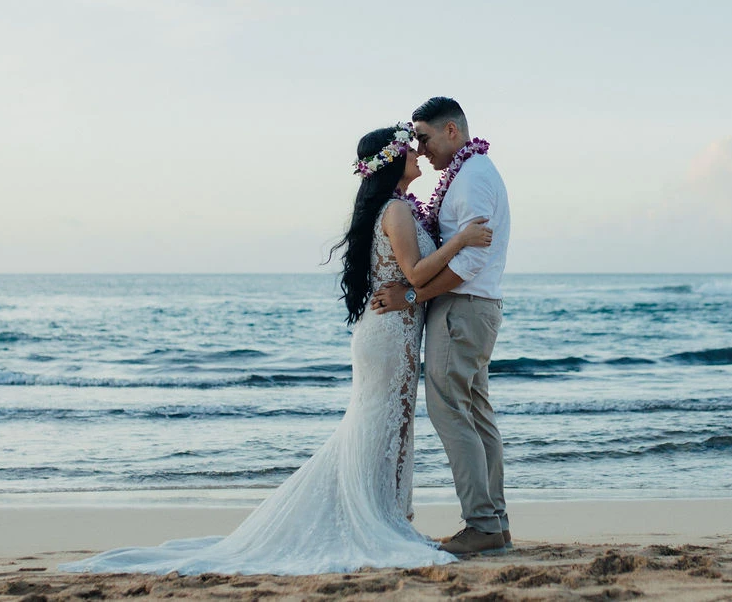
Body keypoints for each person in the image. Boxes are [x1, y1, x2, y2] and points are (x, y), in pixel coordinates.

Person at [58, 123, 492, 575]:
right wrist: (461, 240)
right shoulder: (397, 210)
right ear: (391, 160)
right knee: (382, 425)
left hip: (394, 332)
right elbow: (417, 274)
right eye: (408, 148)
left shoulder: (399, 207)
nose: (418, 153)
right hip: (388, 336)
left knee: (391, 426)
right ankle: (380, 520)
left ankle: (389, 516)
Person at [372, 97, 511, 556]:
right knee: (475, 413)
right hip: (472, 309)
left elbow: (470, 261)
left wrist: (413, 296)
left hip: (462, 308)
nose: (420, 148)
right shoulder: (471, 173)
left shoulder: (472, 179)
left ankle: (483, 524)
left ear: (452, 131)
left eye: (424, 138)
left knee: (449, 411)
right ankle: (495, 524)